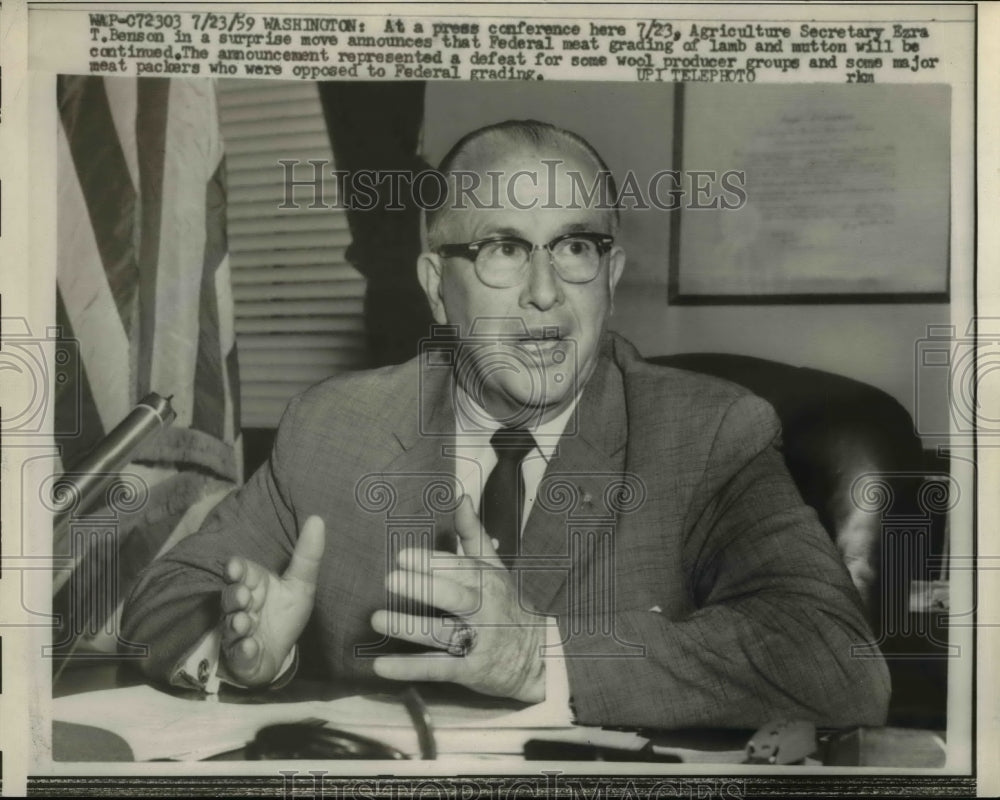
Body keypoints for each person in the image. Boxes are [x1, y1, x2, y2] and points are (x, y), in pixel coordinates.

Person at [122, 120, 890, 729]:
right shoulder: (335, 428)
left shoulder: (709, 434)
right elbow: (165, 599)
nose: (546, 294)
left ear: (610, 278)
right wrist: (246, 650)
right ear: (434, 287)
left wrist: (539, 658)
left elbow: (837, 659)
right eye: (503, 250)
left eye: (576, 248)